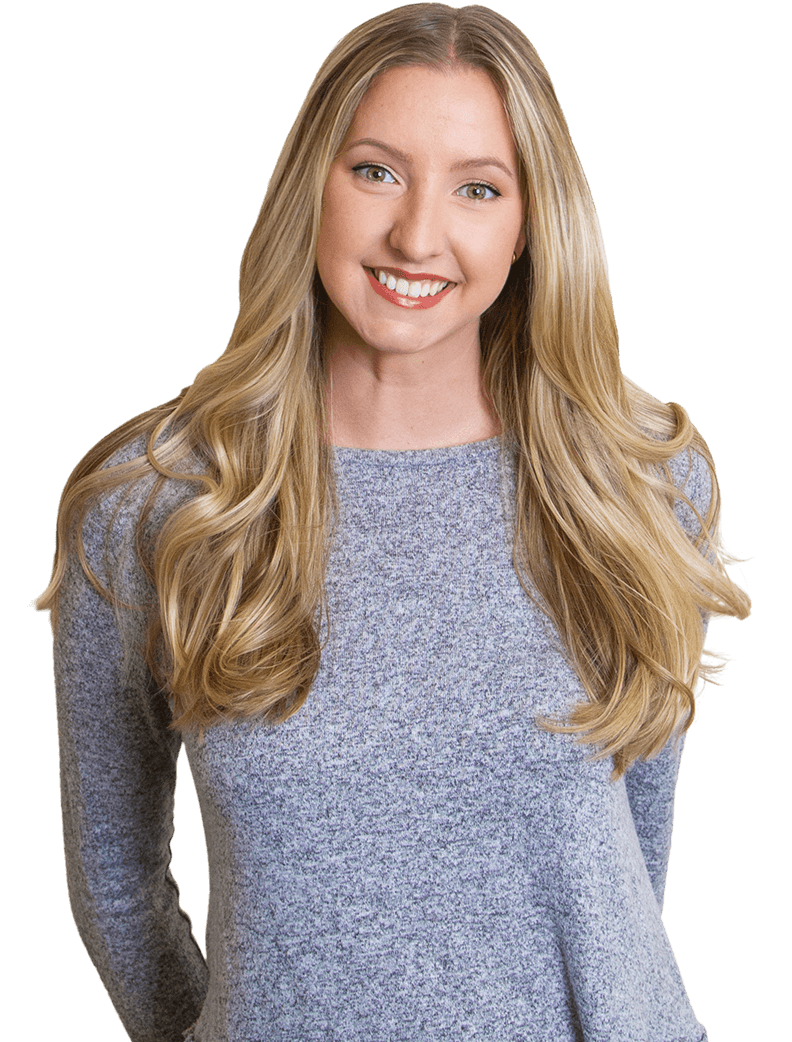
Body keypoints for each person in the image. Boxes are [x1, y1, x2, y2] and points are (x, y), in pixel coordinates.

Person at [33, 5, 751, 1041]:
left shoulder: (637, 480)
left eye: (478, 188)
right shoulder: (155, 504)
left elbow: (634, 878)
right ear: (310, 189)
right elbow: (115, 886)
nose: (418, 235)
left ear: (531, 224)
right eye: (375, 171)